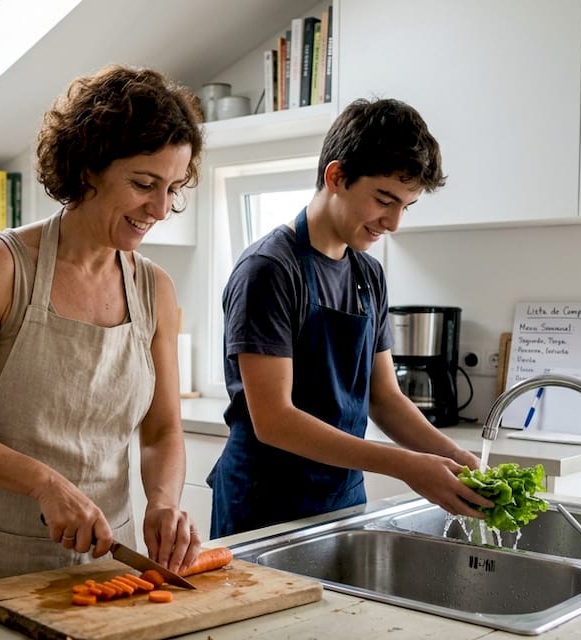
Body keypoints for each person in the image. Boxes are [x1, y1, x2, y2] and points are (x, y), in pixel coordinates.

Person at [0, 65, 204, 596]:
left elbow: (162, 431)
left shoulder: (154, 289)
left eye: (173, 189)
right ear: (89, 167)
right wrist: (44, 484)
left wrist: (162, 502)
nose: (159, 209)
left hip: (108, 559)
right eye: (143, 184)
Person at [207, 97, 492, 538]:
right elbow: (275, 420)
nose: (394, 222)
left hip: (339, 500)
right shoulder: (268, 270)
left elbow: (385, 398)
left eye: (406, 206)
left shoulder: (368, 274)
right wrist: (407, 466)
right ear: (336, 177)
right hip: (264, 506)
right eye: (384, 199)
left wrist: (456, 458)